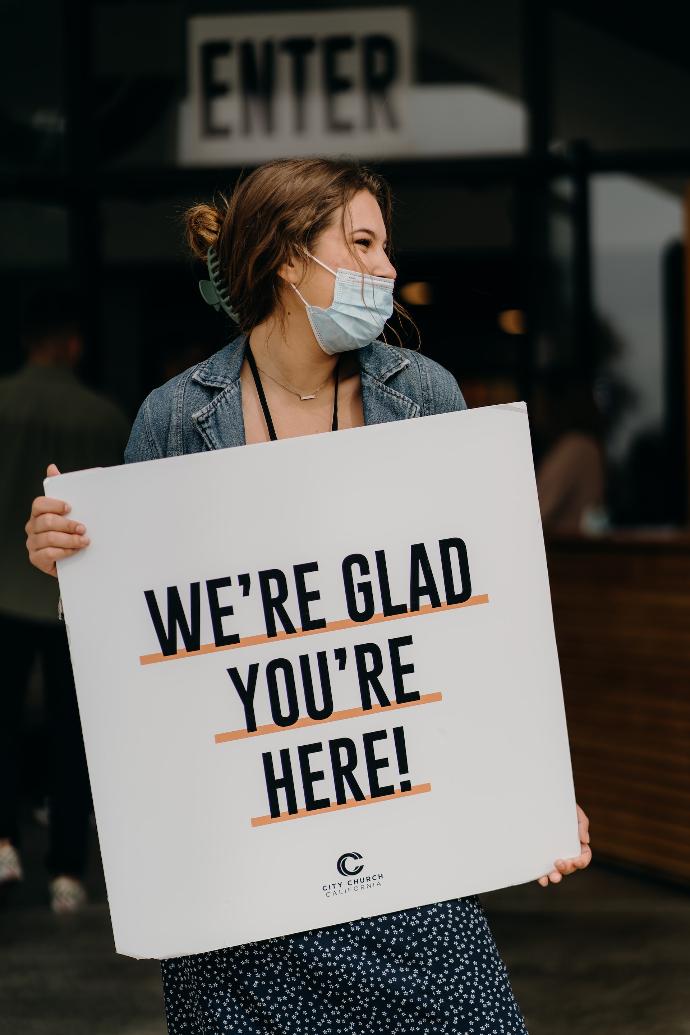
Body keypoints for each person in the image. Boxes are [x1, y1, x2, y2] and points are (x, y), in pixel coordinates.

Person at [25, 158, 592, 1033]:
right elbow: (147, 650)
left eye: (385, 245)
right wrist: (70, 560)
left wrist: (535, 793)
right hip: (243, 871)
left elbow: (480, 619)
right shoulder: (177, 417)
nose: (387, 268)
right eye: (361, 243)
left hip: (405, 853)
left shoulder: (423, 395)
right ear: (290, 259)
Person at [0, 288, 130, 913]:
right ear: (72, 344)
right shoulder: (102, 416)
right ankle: (67, 872)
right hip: (71, 599)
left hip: (2, 590)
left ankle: (3, 842)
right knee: (71, 735)